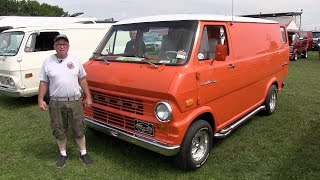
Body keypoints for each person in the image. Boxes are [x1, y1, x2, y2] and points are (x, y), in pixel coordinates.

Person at [37, 34, 93, 168]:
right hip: (56, 102)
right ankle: (63, 154)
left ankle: (83, 153)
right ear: (54, 46)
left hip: (74, 101)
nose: (62, 46)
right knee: (59, 129)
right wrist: (40, 99)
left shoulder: (75, 60)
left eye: (64, 44)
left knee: (79, 128)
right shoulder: (48, 61)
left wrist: (88, 96)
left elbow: (82, 79)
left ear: (68, 46)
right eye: (58, 44)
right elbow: (44, 82)